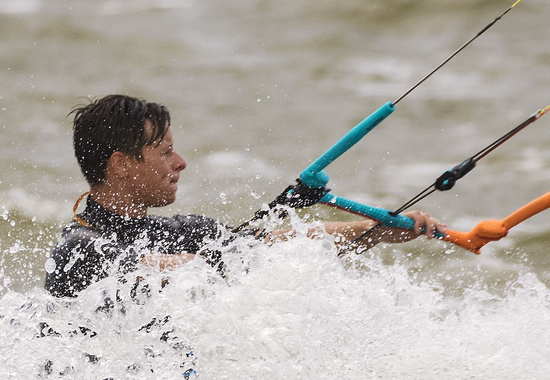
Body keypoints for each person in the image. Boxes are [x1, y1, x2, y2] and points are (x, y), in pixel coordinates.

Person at [44, 94, 441, 298]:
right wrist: (282, 208)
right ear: (122, 164)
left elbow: (273, 245)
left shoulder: (177, 231)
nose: (180, 162)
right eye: (164, 152)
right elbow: (181, 269)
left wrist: (377, 231)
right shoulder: (78, 248)